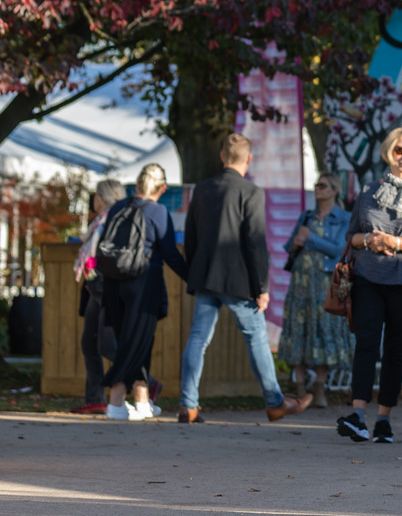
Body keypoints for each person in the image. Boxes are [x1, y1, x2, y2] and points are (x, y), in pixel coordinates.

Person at [180, 135, 310, 424]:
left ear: (221, 155)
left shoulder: (201, 190)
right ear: (248, 159)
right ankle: (275, 402)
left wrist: (195, 268)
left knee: (198, 339)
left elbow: (190, 237)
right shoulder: (251, 192)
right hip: (238, 280)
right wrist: (261, 287)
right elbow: (255, 243)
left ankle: (188, 405)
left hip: (205, 275)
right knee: (257, 339)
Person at [336, 126, 402, 444]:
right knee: (367, 343)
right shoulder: (369, 190)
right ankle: (358, 415)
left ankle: (384, 420)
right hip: (369, 278)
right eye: (400, 150)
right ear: (389, 152)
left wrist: (395, 241)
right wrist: (369, 239)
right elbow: (350, 236)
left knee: (395, 350)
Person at [100, 165, 188, 420]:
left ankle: (141, 399)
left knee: (132, 341)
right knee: (136, 341)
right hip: (144, 282)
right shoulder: (159, 212)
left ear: (136, 185)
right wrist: (193, 279)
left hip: (114, 283)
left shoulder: (118, 207)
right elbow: (171, 253)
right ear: (162, 188)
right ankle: (116, 401)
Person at [279, 172, 353, 408]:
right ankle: (300, 388)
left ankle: (319, 387)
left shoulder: (342, 218)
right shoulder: (307, 216)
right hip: (301, 282)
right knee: (298, 331)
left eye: (322, 186)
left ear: (334, 190)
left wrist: (310, 239)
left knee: (323, 331)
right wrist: (296, 244)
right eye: (316, 185)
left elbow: (339, 249)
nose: (317, 189)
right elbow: (290, 247)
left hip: (324, 282)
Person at [70, 178, 124, 415]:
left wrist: (89, 265)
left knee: (105, 345)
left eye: (95, 195)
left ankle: (146, 381)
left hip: (106, 287)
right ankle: (95, 398)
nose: (93, 199)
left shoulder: (112, 221)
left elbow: (100, 256)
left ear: (102, 198)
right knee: (90, 343)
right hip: (96, 287)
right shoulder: (100, 222)